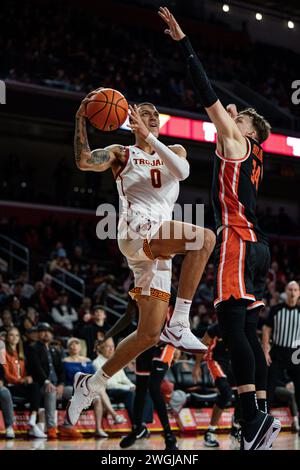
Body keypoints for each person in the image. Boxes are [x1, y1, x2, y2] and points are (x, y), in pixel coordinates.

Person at [157, 6, 280, 450]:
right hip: (259, 243)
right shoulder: (257, 154)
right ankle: (260, 419)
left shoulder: (235, 139)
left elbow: (205, 89)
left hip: (237, 238)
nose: (233, 116)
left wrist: (183, 43)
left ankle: (251, 420)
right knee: (246, 330)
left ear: (246, 128)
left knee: (231, 327)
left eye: (240, 116)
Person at [67, 86, 216, 425]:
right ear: (131, 120)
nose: (149, 118)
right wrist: (81, 118)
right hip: (135, 231)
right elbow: (84, 161)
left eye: (153, 116)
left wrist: (152, 136)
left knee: (149, 334)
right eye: (143, 113)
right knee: (204, 238)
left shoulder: (173, 150)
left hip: (158, 243)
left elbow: (182, 172)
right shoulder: (122, 153)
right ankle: (180, 322)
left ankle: (92, 383)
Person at [97, 297, 178, 450]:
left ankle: (169, 436)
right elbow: (128, 316)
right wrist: (107, 335)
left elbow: (180, 311)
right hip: (145, 341)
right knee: (140, 389)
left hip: (164, 342)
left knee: (154, 387)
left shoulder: (163, 280)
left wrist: (177, 336)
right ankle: (138, 428)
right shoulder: (136, 285)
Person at [26, 322, 81, 439]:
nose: (46, 334)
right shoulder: (33, 348)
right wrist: (46, 381)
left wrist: (61, 384)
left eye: (49, 332)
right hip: (41, 386)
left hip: (57, 385)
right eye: (43, 331)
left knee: (75, 392)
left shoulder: (55, 350)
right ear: (38, 334)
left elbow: (61, 371)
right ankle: (51, 428)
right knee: (51, 391)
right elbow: (36, 368)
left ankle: (67, 426)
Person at [63, 337, 125, 438]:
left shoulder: (87, 361)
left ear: (80, 347)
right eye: (71, 344)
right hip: (71, 387)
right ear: (68, 348)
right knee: (99, 389)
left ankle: (98, 429)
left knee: (98, 398)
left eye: (76, 344)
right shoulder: (65, 361)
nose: (74, 346)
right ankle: (114, 415)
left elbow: (94, 376)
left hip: (87, 387)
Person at [192, 322, 241, 449]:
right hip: (214, 360)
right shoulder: (216, 327)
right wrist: (197, 366)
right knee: (226, 394)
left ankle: (235, 429)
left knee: (242, 394)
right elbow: (201, 345)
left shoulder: (240, 326)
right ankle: (210, 432)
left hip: (231, 362)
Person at [262, 281, 300, 436]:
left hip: (296, 353)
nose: (292, 292)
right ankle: (265, 422)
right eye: (290, 289)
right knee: (269, 388)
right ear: (285, 291)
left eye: (296, 290)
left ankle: (297, 421)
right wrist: (266, 350)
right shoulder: (276, 310)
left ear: (299, 293)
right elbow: (266, 329)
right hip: (277, 351)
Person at [1, 327, 46, 438]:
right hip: (10, 385)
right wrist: (21, 380)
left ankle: (33, 420)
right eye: (11, 335)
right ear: (7, 338)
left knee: (35, 386)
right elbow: (6, 373)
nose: (14, 337)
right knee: (6, 392)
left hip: (21, 385)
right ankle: (10, 427)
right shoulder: (2, 352)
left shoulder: (21, 353)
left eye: (17, 335)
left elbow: (25, 371)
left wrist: (28, 377)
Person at [93, 338, 135, 421]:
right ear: (101, 348)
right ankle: (135, 423)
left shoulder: (116, 360)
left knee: (144, 391)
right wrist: (128, 388)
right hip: (109, 390)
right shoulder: (96, 363)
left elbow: (124, 379)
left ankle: (145, 422)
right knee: (129, 394)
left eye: (112, 346)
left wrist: (133, 386)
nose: (111, 349)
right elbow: (108, 384)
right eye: (108, 347)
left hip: (121, 388)